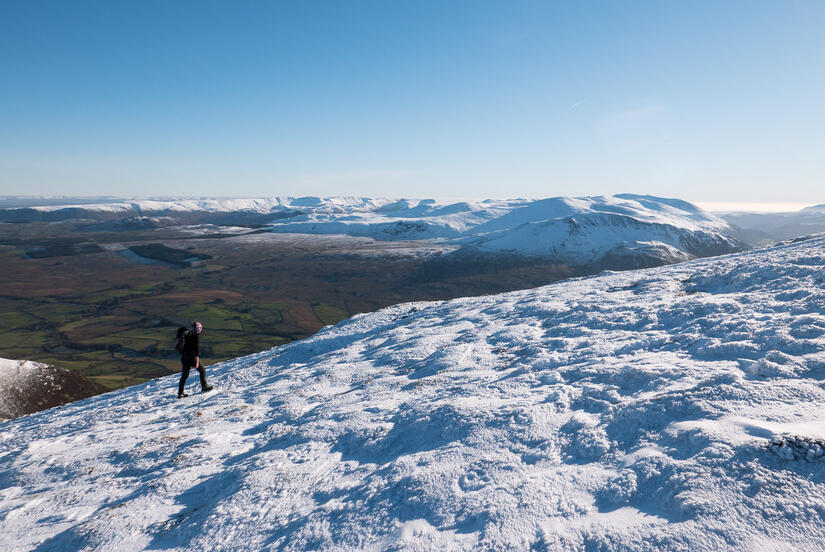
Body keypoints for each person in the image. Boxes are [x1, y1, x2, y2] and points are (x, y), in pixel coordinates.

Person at [178, 321, 213, 398]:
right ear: (198, 329)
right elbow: (196, 351)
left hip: (184, 358)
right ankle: (204, 387)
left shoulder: (187, 334)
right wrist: (197, 362)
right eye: (200, 328)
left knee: (184, 376)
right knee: (202, 370)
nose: (201, 330)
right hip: (192, 358)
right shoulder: (195, 337)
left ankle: (180, 393)